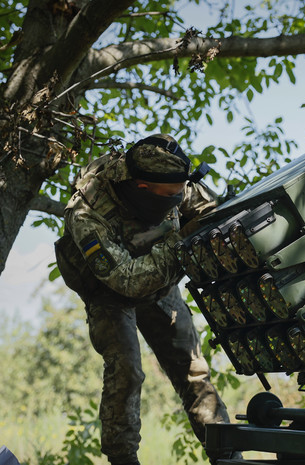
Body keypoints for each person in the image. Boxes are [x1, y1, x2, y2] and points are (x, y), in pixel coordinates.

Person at [55, 134, 235, 465]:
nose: (179, 198)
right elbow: (126, 280)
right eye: (171, 196)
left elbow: (210, 211)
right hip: (109, 292)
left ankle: (226, 454)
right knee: (127, 372)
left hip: (159, 285)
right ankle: (122, 459)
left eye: (182, 191)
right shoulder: (87, 210)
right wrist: (179, 242)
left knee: (193, 370)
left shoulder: (173, 179)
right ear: (141, 187)